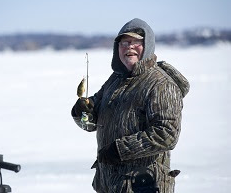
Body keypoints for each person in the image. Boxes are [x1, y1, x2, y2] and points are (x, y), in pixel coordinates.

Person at [71, 18, 190, 193]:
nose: (130, 47)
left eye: (136, 42)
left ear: (148, 45)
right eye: (124, 42)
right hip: (110, 184)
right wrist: (81, 112)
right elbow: (92, 121)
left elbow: (167, 134)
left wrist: (120, 149)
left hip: (143, 184)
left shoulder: (160, 84)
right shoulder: (115, 80)